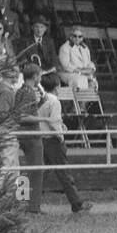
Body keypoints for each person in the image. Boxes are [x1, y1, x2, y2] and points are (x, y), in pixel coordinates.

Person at [12, 62, 92, 214]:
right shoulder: (48, 99)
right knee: (57, 172)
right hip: (45, 139)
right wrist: (59, 135)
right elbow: (48, 121)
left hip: (38, 137)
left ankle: (22, 200)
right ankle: (73, 204)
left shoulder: (31, 94)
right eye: (39, 76)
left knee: (34, 172)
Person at [58, 26, 98, 92]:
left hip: (83, 72)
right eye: (75, 36)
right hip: (68, 73)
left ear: (82, 38)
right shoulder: (65, 47)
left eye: (80, 36)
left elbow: (89, 62)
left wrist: (91, 69)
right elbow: (66, 66)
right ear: (70, 36)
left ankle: (86, 101)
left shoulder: (85, 48)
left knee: (93, 82)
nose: (77, 38)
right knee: (80, 79)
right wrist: (80, 72)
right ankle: (79, 100)